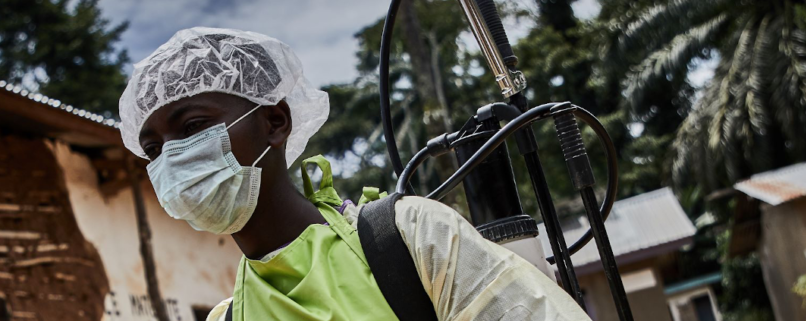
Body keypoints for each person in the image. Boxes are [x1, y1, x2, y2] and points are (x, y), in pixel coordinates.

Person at [119, 27, 590, 321]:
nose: (174, 158)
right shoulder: (229, 317)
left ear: (275, 121)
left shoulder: (407, 239)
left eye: (194, 126)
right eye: (155, 149)